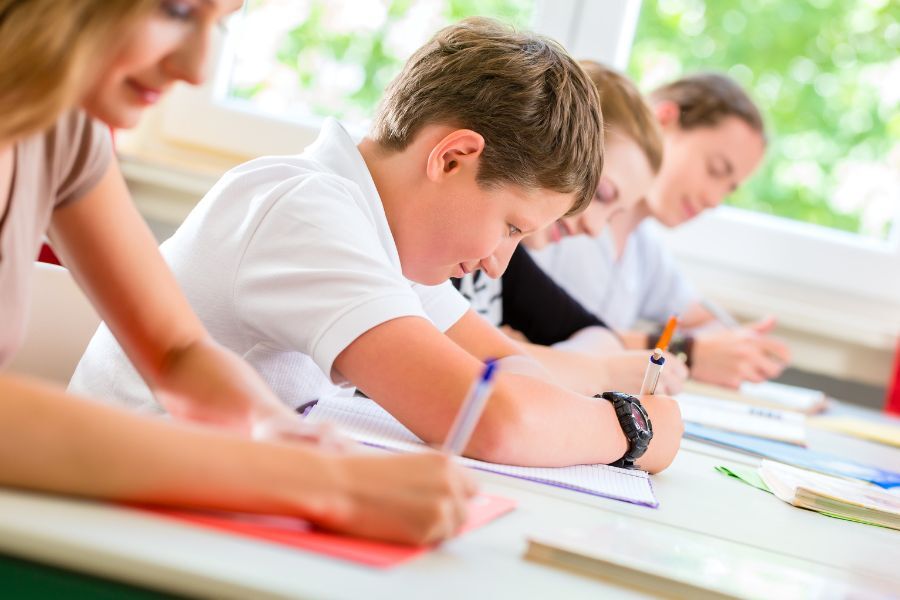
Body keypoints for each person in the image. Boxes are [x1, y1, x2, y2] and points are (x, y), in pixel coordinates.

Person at [72, 18, 684, 472]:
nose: (501, 264)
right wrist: (633, 427)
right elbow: (487, 419)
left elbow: (503, 366)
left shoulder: (392, 235)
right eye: (511, 227)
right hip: (122, 508)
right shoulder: (309, 212)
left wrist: (533, 394)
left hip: (202, 487)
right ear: (453, 158)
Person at [0, 0, 473, 545]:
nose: (196, 70)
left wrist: (271, 429)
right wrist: (324, 482)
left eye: (221, 21)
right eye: (176, 10)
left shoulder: (64, 127)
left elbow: (175, 350)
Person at [531, 73, 791, 389]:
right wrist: (685, 351)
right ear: (664, 119)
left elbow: (707, 322)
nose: (713, 200)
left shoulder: (643, 249)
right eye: (716, 170)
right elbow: (526, 336)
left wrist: (735, 346)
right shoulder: (561, 220)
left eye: (728, 189)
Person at [453, 61, 688, 396]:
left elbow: (601, 336)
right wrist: (586, 371)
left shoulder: (510, 259)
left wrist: (536, 359)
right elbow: (450, 354)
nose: (594, 228)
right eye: (602, 194)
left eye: (613, 216)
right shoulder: (440, 250)